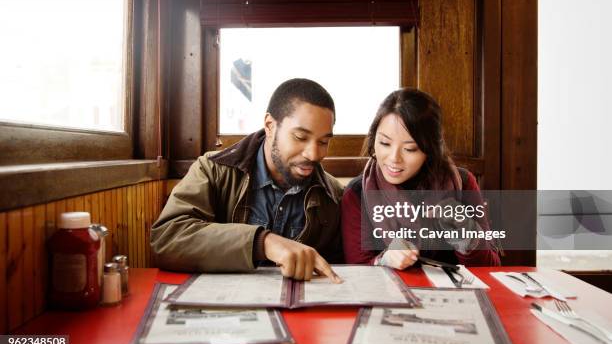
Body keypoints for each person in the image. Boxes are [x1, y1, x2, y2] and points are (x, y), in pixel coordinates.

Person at [152, 78, 343, 282]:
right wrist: (262, 243)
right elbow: (166, 238)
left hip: (298, 311)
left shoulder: (334, 195)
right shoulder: (213, 170)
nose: (313, 154)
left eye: (323, 142)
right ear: (270, 126)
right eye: (300, 137)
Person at [341, 88, 500, 269]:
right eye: (384, 143)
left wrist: (465, 230)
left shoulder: (463, 183)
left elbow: (491, 267)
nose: (394, 158)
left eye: (410, 149)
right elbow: (357, 273)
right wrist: (383, 261)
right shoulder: (357, 193)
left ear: (430, 149)